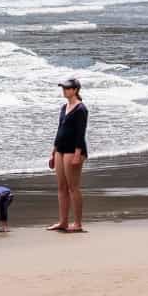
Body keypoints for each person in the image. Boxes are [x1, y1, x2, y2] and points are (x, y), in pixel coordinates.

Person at [48, 77, 88, 233]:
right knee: (61, 187)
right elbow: (60, 129)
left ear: (75, 90)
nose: (64, 90)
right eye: (63, 88)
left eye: (67, 88)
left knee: (73, 188)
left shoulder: (81, 109)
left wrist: (78, 154)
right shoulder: (64, 107)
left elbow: (81, 133)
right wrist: (53, 151)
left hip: (74, 150)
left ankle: (77, 223)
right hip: (60, 149)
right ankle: (63, 222)